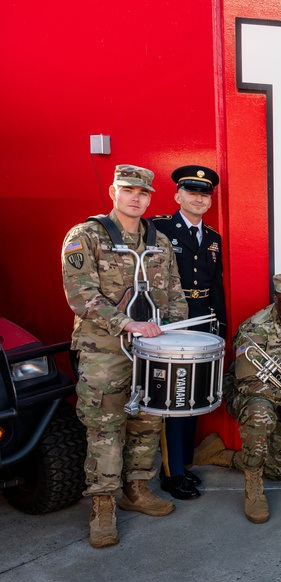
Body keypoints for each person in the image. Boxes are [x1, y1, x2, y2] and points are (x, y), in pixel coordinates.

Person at [62, 164, 188, 548]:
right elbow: (80, 295)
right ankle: (103, 505)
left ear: (151, 198)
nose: (136, 197)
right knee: (106, 426)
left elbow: (174, 293)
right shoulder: (86, 235)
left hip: (151, 349)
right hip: (104, 351)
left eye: (143, 192)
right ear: (114, 192)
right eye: (128, 189)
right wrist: (126, 323)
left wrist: (178, 331)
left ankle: (136, 489)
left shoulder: (159, 241)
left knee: (148, 419)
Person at [201, 273, 281, 524]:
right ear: (276, 299)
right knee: (260, 414)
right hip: (249, 393)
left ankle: (218, 455)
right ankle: (253, 488)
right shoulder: (255, 329)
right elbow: (249, 383)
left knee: (280, 471)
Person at [150, 165, 225, 500]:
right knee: (173, 398)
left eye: (204, 193)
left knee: (192, 396)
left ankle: (183, 465)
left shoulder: (212, 239)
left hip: (202, 322)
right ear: (178, 195)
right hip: (171, 324)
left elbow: (216, 286)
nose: (198, 198)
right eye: (192, 192)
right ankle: (171, 473)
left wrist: (221, 326)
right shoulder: (159, 229)